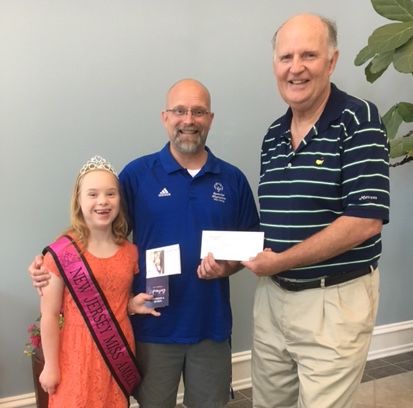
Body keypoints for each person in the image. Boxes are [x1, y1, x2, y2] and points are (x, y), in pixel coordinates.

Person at [29, 79, 260, 408]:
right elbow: (98, 227)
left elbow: (249, 246)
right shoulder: (136, 176)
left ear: (210, 118)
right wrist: (48, 258)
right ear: (165, 117)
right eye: (179, 111)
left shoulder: (232, 179)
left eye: (198, 112)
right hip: (151, 326)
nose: (188, 120)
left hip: (211, 325)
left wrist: (227, 266)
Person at [242, 14, 390, 408]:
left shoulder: (359, 120)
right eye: (286, 56)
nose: (296, 67)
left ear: (331, 61)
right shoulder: (273, 135)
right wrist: (230, 259)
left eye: (309, 54)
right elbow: (276, 218)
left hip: (333, 301)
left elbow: (364, 221)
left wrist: (281, 261)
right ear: (275, 65)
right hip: (273, 298)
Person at [37, 155, 159, 408]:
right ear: (79, 200)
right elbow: (49, 315)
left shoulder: (130, 252)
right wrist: (50, 365)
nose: (102, 201)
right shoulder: (63, 253)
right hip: (74, 353)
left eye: (110, 194)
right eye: (92, 194)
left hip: (116, 350)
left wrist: (130, 305)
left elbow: (112, 299)